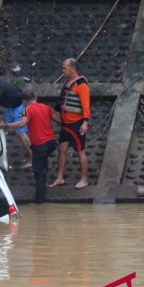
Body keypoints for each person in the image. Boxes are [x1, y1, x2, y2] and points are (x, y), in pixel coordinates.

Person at [0, 89, 61, 203]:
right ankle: (45, 179)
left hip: (40, 145)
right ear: (36, 97)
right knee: (42, 163)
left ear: (24, 101)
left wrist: (5, 125)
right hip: (51, 143)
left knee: (38, 173)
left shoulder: (27, 110)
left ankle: (39, 202)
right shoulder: (46, 107)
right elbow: (59, 121)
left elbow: (21, 123)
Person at [50, 58, 90, 189]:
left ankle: (84, 179)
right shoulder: (68, 82)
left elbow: (86, 105)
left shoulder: (81, 84)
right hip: (65, 124)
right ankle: (60, 177)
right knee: (61, 149)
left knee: (80, 151)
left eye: (65, 68)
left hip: (76, 124)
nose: (63, 71)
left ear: (72, 68)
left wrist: (85, 123)